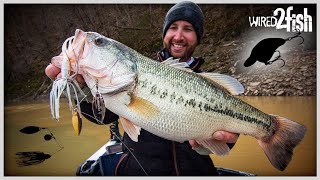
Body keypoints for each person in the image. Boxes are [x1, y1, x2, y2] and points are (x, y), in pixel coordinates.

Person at [45, 1, 239, 176]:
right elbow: (103, 117)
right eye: (173, 27)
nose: (178, 36)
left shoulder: (212, 87)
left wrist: (224, 140)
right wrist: (82, 91)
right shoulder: (131, 74)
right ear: (164, 33)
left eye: (188, 29)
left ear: (197, 37)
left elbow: (225, 143)